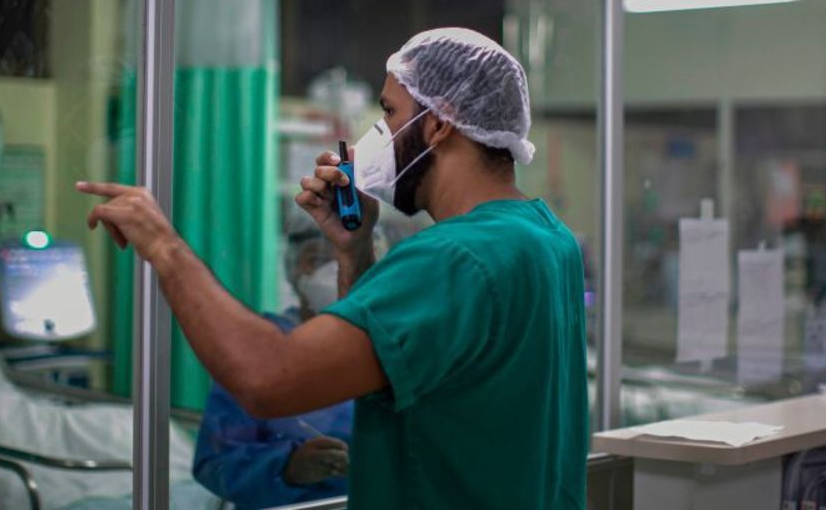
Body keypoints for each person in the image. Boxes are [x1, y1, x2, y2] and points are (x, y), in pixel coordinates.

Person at [78, 27, 588, 508]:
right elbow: (403, 364)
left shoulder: (452, 257)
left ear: (437, 123)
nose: (381, 133)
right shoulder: (546, 238)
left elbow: (268, 379)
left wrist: (164, 246)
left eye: (390, 112)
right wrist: (354, 251)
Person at [192, 212, 354, 508]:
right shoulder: (257, 352)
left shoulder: (389, 346)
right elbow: (213, 463)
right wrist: (288, 467)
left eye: (344, 258)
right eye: (316, 259)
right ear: (292, 270)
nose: (333, 271)